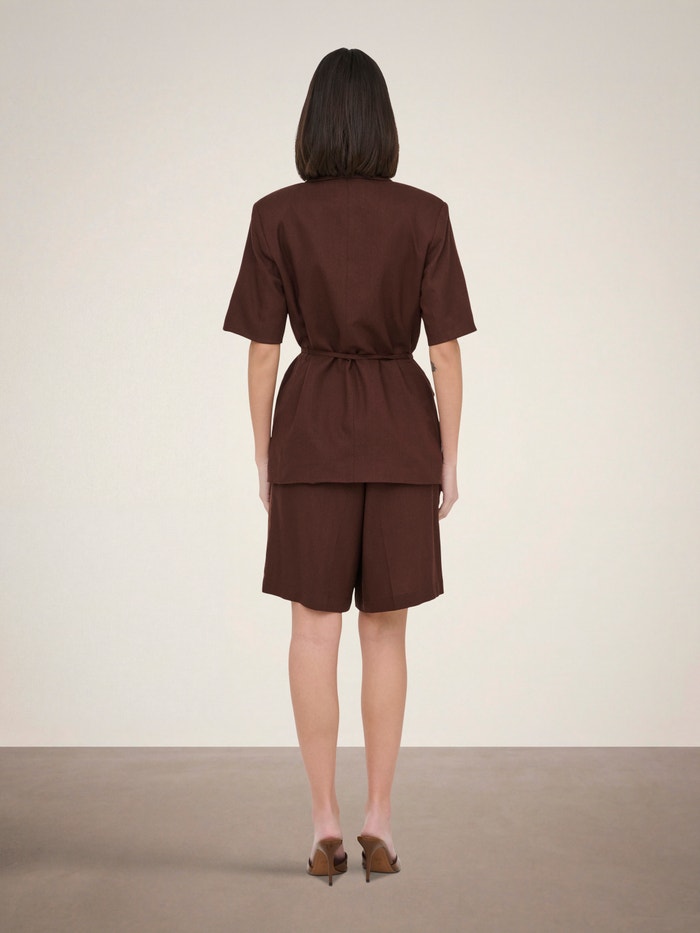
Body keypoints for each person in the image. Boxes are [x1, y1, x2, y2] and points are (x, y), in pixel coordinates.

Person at [222, 47, 477, 885]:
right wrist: (449, 458)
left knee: (311, 630)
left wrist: (264, 454)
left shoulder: (276, 215)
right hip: (402, 433)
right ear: (383, 123)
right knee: (387, 630)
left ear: (313, 122)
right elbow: (445, 353)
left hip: (311, 431)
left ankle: (325, 824)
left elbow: (264, 352)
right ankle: (380, 821)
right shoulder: (426, 214)